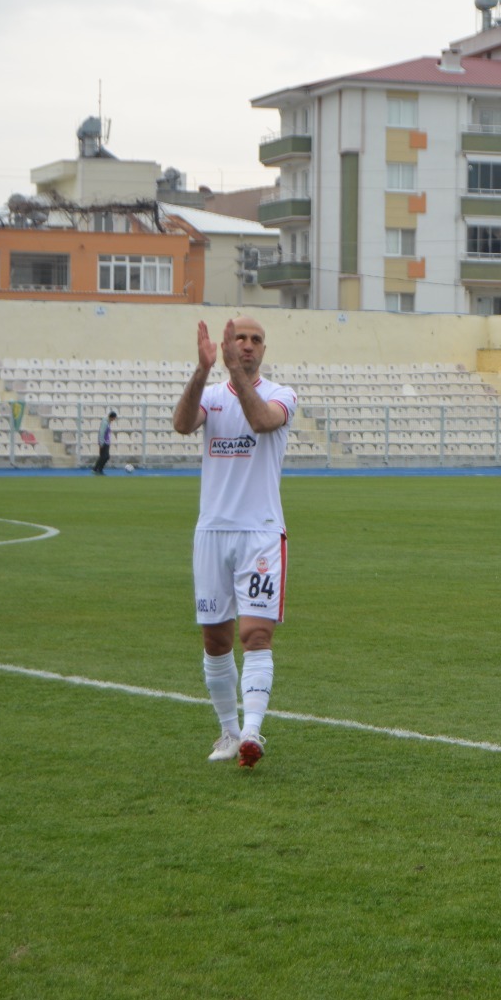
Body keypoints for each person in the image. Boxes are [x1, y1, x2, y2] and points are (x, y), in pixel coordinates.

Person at [172, 317, 297, 768]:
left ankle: (252, 732)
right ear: (228, 344)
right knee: (216, 639)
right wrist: (204, 370)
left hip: (260, 532)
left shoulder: (282, 395)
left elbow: (262, 422)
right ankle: (227, 731)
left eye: (255, 340)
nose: (247, 346)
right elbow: (182, 424)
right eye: (239, 339)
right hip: (212, 531)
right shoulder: (209, 396)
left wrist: (236, 376)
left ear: (264, 349)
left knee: (256, 634)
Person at [92, 410, 117, 474]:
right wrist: (101, 442)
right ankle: (97, 469)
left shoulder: (107, 422)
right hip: (104, 442)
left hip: (107, 441)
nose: (114, 419)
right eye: (114, 418)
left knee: (104, 456)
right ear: (112, 417)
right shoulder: (105, 423)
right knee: (105, 456)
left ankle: (97, 469)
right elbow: (101, 432)